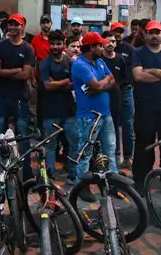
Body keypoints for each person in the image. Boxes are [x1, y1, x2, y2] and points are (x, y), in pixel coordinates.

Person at [131, 20, 161, 187]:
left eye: (157, 32)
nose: (154, 36)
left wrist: (152, 71)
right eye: (151, 32)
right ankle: (140, 181)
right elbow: (138, 76)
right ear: (145, 34)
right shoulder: (138, 52)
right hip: (145, 108)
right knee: (144, 146)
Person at [71, 31, 118, 180]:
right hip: (89, 117)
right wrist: (101, 84)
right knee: (85, 153)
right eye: (99, 45)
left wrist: (99, 86)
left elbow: (112, 79)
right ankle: (82, 186)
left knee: (110, 150)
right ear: (91, 47)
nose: (103, 48)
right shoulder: (80, 64)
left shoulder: (99, 61)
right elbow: (98, 85)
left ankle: (113, 181)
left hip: (105, 113)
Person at [39, 30, 79, 181]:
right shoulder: (44, 64)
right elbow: (47, 86)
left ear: (63, 45)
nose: (55, 46)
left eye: (58, 43)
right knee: (50, 146)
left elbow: (74, 83)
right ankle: (50, 177)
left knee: (74, 143)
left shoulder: (70, 62)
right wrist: (64, 82)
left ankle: (73, 174)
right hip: (50, 111)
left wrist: (55, 83)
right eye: (52, 44)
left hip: (69, 110)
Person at [0, 13, 36, 136]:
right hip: (2, 96)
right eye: (11, 24)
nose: (13, 27)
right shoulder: (0, 46)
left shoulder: (28, 48)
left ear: (23, 26)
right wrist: (16, 70)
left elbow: (25, 75)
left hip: (21, 98)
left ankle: (24, 156)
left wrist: (3, 72)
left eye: (17, 24)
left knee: (23, 135)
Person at [108, 22, 136, 168]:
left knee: (128, 124)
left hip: (125, 90)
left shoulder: (129, 49)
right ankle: (116, 155)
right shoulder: (105, 49)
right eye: (114, 32)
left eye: (120, 32)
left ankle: (128, 157)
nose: (118, 35)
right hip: (109, 91)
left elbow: (132, 71)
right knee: (112, 124)